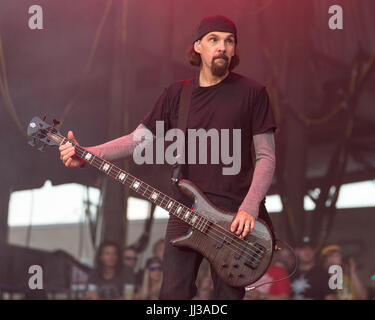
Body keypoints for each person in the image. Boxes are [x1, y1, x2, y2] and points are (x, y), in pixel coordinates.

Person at [59, 15, 277, 300]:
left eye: (229, 41)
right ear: (198, 46)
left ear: (235, 49)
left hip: (234, 214)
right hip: (185, 208)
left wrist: (249, 207)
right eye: (214, 40)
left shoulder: (253, 93)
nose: (222, 47)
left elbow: (266, 156)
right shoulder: (177, 94)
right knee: (172, 296)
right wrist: (88, 154)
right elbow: (137, 140)